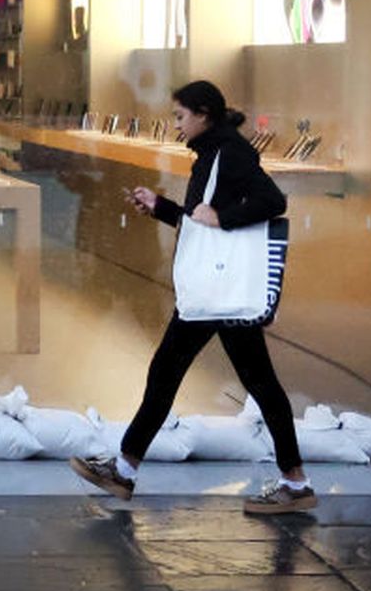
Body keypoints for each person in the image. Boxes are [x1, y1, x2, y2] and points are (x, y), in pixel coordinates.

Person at [70, 80, 315, 515]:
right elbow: (200, 222)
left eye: (180, 116)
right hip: (213, 291)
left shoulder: (231, 152)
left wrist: (224, 217)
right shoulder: (212, 153)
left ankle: (125, 470)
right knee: (243, 380)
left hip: (216, 294)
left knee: (180, 374)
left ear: (203, 114)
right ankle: (293, 482)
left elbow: (271, 201)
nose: (176, 125)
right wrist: (162, 207)